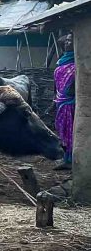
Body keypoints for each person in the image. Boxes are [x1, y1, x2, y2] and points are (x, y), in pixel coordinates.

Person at [55, 35, 75, 172]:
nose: (67, 43)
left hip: (72, 103)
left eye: (71, 41)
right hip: (61, 101)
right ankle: (66, 158)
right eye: (66, 40)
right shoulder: (62, 62)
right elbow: (56, 85)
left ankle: (72, 160)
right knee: (63, 131)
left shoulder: (78, 62)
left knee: (72, 131)